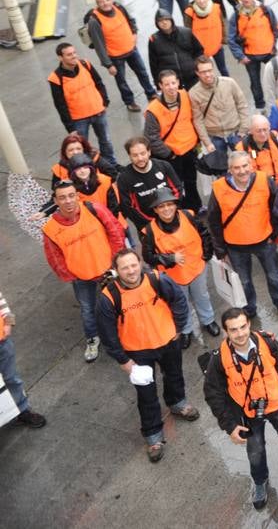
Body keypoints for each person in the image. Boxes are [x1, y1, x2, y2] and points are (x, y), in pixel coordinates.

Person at [202, 308, 278, 510]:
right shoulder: (219, 360)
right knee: (255, 450)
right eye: (233, 330)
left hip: (277, 403)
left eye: (243, 327)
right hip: (247, 413)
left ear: (249, 324)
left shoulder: (268, 343)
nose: (240, 333)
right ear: (226, 332)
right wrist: (230, 426)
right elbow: (213, 394)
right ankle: (260, 481)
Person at [96, 248, 200, 461]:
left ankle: (178, 402)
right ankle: (153, 433)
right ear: (116, 270)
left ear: (140, 263)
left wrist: (179, 328)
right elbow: (107, 334)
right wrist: (123, 360)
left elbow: (179, 301)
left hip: (168, 341)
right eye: (124, 267)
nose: (131, 271)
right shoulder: (108, 298)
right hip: (137, 352)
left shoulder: (158, 279)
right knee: (146, 394)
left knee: (174, 376)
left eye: (134, 265)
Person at [207, 151, 278, 319]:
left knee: (274, 276)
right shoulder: (219, 188)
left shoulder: (264, 180)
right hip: (235, 245)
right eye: (237, 168)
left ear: (251, 165)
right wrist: (220, 250)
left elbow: (277, 207)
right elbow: (213, 221)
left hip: (265, 240)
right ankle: (249, 309)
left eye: (245, 166)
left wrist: (275, 232)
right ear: (230, 170)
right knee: (244, 282)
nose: (242, 171)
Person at [42, 181, 125, 363]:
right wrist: (72, 275)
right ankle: (93, 338)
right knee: (88, 309)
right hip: (81, 277)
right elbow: (54, 258)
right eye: (62, 197)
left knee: (118, 303)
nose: (68, 201)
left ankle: (123, 333)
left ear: (77, 195)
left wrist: (116, 260)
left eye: (71, 195)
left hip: (107, 270)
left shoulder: (94, 209)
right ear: (55, 200)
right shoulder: (50, 229)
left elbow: (115, 231)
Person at [140, 189, 218, 339]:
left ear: (175, 205)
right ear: (155, 210)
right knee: (180, 303)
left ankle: (208, 320)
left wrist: (206, 255)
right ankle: (186, 330)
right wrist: (169, 259)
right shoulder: (149, 231)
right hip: (173, 276)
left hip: (197, 268)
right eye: (161, 206)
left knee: (202, 296)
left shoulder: (189, 216)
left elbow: (204, 233)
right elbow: (148, 256)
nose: (166, 209)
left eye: (169, 204)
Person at [49, 41, 120, 167]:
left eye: (74, 53)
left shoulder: (85, 64)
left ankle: (111, 165)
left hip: (98, 112)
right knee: (81, 147)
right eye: (69, 54)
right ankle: (88, 169)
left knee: (106, 141)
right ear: (61, 57)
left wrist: (104, 101)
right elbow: (60, 105)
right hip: (78, 119)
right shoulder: (56, 78)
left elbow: (99, 83)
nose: (74, 56)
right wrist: (70, 128)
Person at [85, 0, 157, 111]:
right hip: (115, 56)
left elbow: (130, 20)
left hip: (131, 49)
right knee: (122, 81)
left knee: (142, 72)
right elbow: (99, 45)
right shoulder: (94, 21)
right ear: (97, 4)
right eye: (101, 2)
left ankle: (151, 93)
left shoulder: (119, 7)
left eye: (107, 0)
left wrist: (134, 32)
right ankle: (129, 102)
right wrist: (108, 65)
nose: (106, 3)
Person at [143, 70, 202, 211]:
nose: (171, 87)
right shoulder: (153, 110)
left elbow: (195, 119)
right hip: (171, 156)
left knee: (191, 181)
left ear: (178, 83)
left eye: (173, 83)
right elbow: (151, 138)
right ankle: (179, 210)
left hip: (190, 150)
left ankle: (195, 206)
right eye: (167, 84)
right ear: (160, 86)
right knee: (175, 186)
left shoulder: (185, 96)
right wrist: (169, 154)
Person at [116, 136, 186, 232]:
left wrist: (170, 213)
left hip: (173, 219)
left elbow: (177, 190)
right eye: (135, 155)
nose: (140, 158)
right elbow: (129, 208)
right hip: (147, 227)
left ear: (149, 152)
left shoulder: (164, 166)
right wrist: (151, 223)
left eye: (143, 153)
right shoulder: (124, 179)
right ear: (130, 156)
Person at [0, 290, 46, 428]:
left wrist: (8, 321)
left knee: (11, 378)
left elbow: (1, 301)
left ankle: (22, 410)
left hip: (2, 342)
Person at [228, 0, 278, 109]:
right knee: (255, 83)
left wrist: (275, 48)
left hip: (269, 52)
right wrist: (240, 56)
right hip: (250, 55)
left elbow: (276, 29)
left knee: (276, 79)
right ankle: (260, 107)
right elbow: (231, 39)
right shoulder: (236, 16)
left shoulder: (266, 10)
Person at [147, 11, 203, 89]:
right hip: (172, 83)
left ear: (171, 20)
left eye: (166, 19)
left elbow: (199, 51)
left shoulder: (186, 32)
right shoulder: (154, 40)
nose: (164, 23)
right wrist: (158, 84)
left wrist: (197, 67)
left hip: (193, 77)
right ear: (157, 24)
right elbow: (154, 65)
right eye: (160, 21)